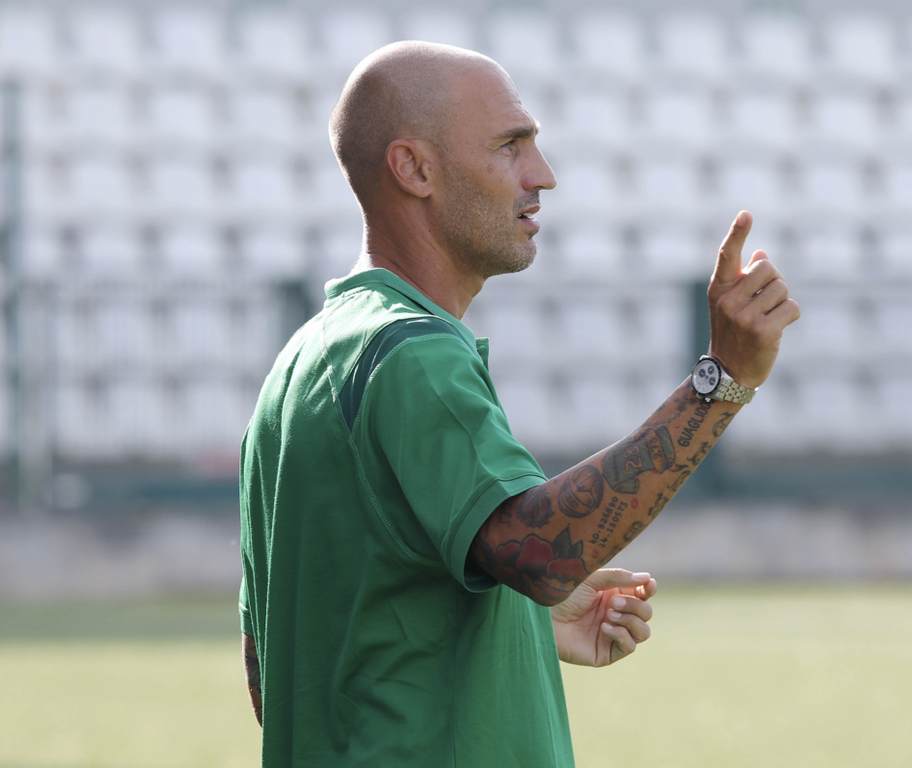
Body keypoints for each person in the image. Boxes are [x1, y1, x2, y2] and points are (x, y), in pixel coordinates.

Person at [238, 40, 799, 767]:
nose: (543, 175)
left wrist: (518, 624)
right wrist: (721, 382)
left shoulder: (300, 366)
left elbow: (277, 669)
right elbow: (539, 554)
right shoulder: (414, 354)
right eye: (510, 146)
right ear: (414, 169)